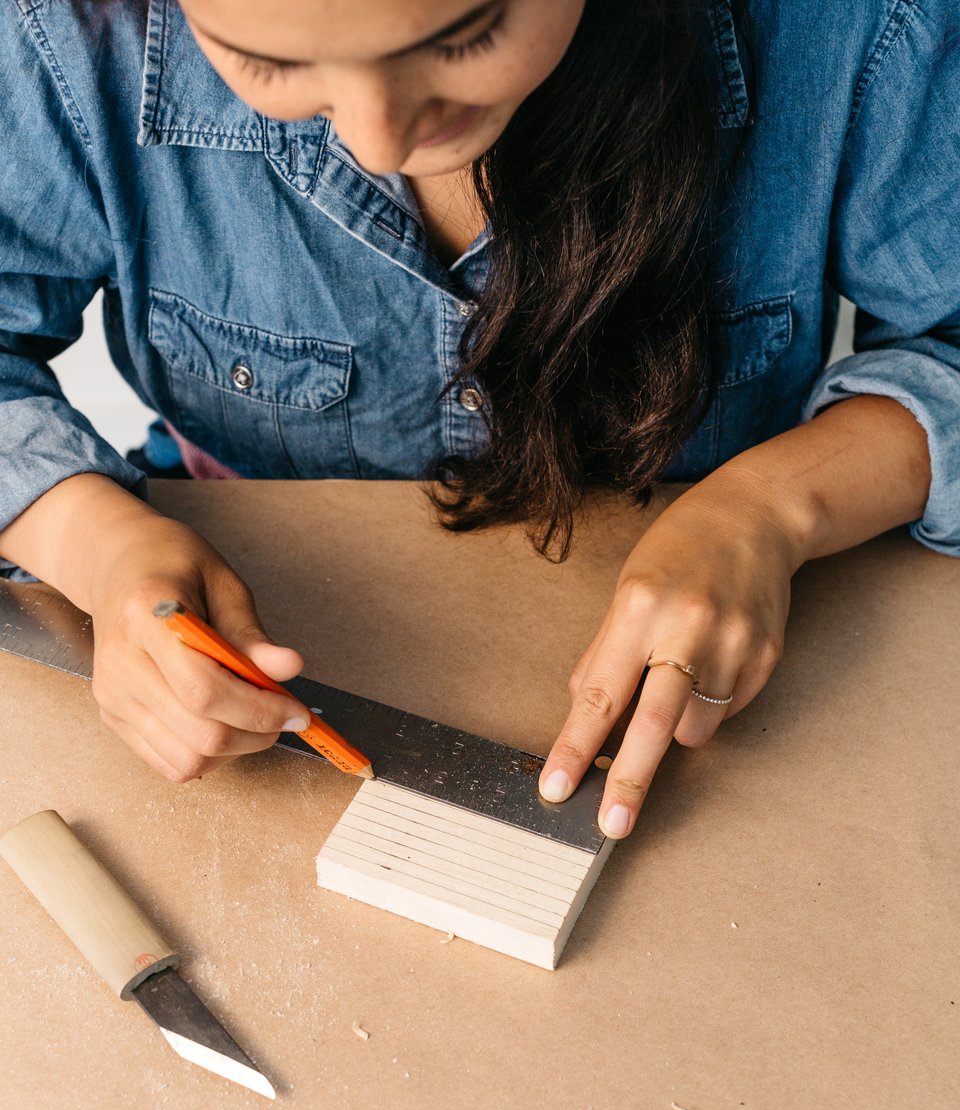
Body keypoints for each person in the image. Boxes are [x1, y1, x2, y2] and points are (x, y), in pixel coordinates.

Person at [0, 0, 955, 840]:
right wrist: (96, 547)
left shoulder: (865, 26)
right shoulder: (59, 34)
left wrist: (772, 508)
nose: (378, 140)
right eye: (274, 63)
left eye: (464, 37)